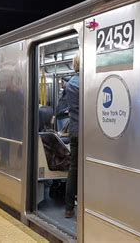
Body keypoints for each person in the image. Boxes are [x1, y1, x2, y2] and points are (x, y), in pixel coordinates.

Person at [65, 55, 80, 218]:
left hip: (75, 131)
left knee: (73, 169)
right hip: (88, 133)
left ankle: (69, 208)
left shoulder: (70, 84)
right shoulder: (87, 81)